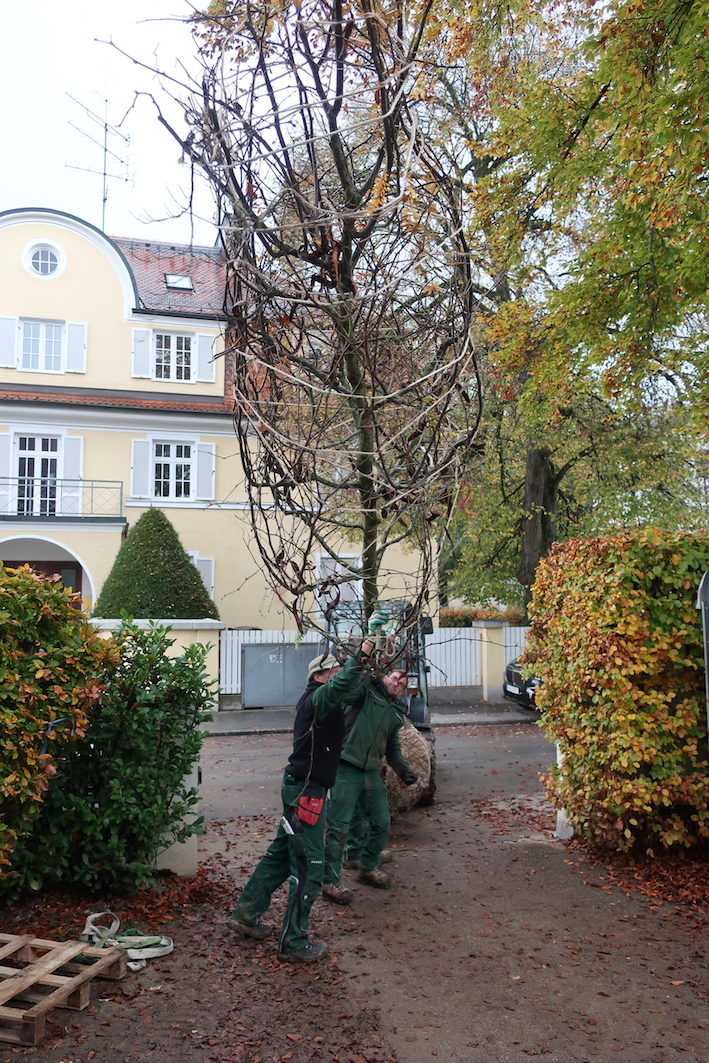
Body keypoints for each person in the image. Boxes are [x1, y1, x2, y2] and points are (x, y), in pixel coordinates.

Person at [226, 643, 374, 963]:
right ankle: (293, 941)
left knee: (281, 856)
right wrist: (359, 656)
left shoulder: (325, 700)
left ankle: (245, 914)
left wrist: (367, 662)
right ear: (321, 675)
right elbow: (340, 686)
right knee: (310, 865)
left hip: (299, 789)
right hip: (307, 792)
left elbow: (350, 688)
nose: (338, 679)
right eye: (335, 672)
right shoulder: (317, 699)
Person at [322, 644, 417, 904]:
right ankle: (329, 880)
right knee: (339, 827)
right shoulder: (365, 693)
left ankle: (366, 866)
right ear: (384, 677)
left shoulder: (396, 712)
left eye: (402, 682)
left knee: (382, 821)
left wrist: (404, 771)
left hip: (369, 771)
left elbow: (391, 746)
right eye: (394, 677)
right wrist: (366, 657)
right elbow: (348, 691)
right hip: (345, 767)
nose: (397, 683)